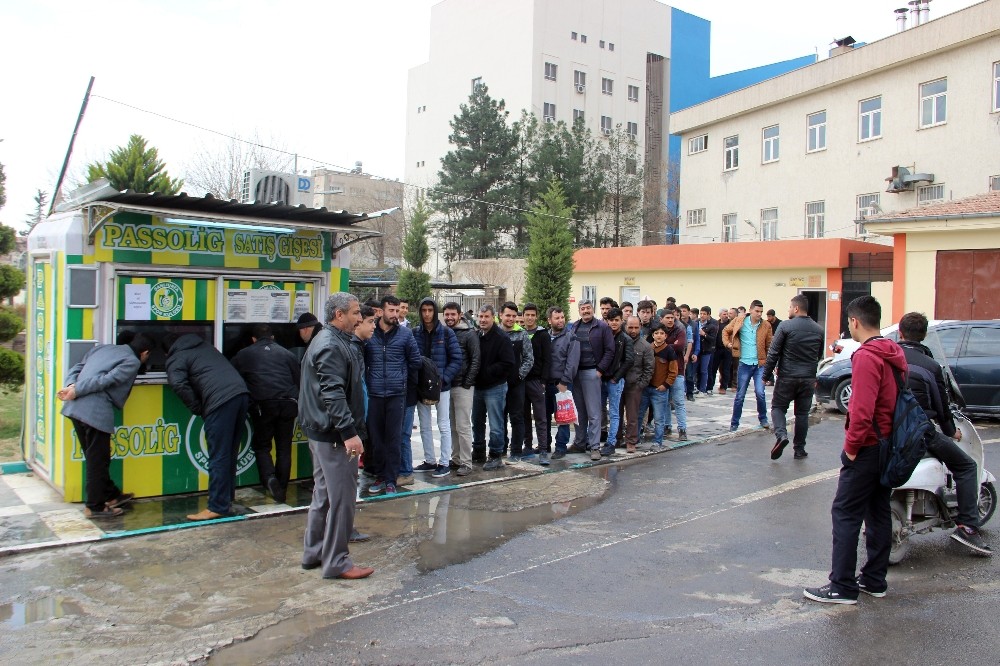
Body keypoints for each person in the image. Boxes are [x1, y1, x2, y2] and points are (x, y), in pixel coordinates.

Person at [804, 295, 905, 604]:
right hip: (889, 443)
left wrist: (850, 449)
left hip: (868, 446)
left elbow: (861, 411)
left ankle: (842, 585)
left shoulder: (866, 356)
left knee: (845, 513)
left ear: (855, 322)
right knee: (877, 512)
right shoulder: (893, 351)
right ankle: (875, 580)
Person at [897, 312, 992, 555]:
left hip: (885, 431)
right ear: (925, 335)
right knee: (967, 466)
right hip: (920, 431)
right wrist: (952, 431)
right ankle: (967, 527)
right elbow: (941, 407)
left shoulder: (887, 357)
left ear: (900, 332)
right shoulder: (930, 365)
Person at [299, 293, 374, 580]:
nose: (359, 318)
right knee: (342, 499)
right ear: (339, 315)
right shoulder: (331, 345)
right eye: (355, 313)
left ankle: (314, 552)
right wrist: (349, 433)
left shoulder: (330, 340)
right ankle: (337, 561)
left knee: (324, 496)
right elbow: (332, 393)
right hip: (333, 436)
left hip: (322, 433)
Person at [58, 333, 152, 519]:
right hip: (94, 411)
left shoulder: (102, 348)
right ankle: (95, 507)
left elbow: (77, 367)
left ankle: (111, 495)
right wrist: (75, 390)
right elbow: (107, 380)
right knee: (98, 461)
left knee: (95, 458)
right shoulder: (132, 361)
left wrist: (71, 385)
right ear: (145, 353)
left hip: (74, 409)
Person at [166, 333, 250, 521]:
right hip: (241, 394)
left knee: (219, 455)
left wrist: (197, 407)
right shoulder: (206, 348)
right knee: (229, 453)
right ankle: (226, 500)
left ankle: (217, 506)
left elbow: (178, 383)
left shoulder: (176, 357)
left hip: (220, 401)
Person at [231, 323, 301, 503]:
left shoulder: (244, 354)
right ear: (273, 338)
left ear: (253, 339)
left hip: (263, 405)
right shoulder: (287, 354)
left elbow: (232, 377)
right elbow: (298, 379)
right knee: (284, 447)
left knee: (262, 446)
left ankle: (269, 479)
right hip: (288, 404)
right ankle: (282, 487)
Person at [364, 295, 421, 495]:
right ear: (381, 311)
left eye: (398, 311)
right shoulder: (371, 333)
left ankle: (391, 479)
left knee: (394, 439)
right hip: (375, 394)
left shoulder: (405, 334)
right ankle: (380, 476)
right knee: (376, 440)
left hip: (397, 394)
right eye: (391, 310)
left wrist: (403, 379)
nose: (395, 314)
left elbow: (415, 361)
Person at [763, 295, 824, 461]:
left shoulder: (785, 326)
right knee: (802, 414)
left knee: (778, 407)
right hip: (807, 378)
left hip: (787, 376)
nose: (788, 310)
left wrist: (766, 375)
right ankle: (799, 450)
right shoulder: (818, 329)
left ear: (796, 308)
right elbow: (818, 355)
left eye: (790, 307)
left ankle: (781, 435)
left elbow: (773, 353)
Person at [412, 298, 463, 478]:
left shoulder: (447, 333)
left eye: (430, 310)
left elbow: (457, 359)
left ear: (435, 312)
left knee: (443, 424)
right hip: (421, 386)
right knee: (424, 425)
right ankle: (429, 461)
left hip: (441, 386)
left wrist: (444, 378)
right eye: (424, 310)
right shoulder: (415, 332)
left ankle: (444, 462)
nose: (427, 314)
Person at [560, 300, 615, 461]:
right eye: (582, 308)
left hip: (592, 373)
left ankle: (595, 446)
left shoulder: (602, 327)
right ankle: (580, 442)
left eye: (588, 308)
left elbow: (610, 350)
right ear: (579, 311)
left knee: (594, 412)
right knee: (579, 412)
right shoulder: (574, 327)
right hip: (576, 374)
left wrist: (600, 370)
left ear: (593, 309)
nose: (586, 311)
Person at [472, 304, 515, 470]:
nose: (482, 320)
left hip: (495, 387)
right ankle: (478, 452)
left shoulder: (501, 337)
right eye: (480, 317)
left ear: (493, 317)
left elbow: (508, 363)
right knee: (477, 422)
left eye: (486, 317)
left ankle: (496, 455)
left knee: (496, 424)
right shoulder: (476, 335)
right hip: (477, 387)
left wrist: (487, 372)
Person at [722, 299, 773, 432]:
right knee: (740, 395)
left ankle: (763, 419)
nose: (759, 314)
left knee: (760, 392)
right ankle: (734, 423)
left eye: (761, 312)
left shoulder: (766, 325)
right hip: (744, 363)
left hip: (760, 364)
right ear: (750, 310)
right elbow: (725, 331)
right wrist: (728, 344)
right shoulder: (740, 320)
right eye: (757, 311)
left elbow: (770, 345)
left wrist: (770, 363)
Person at [443, 301, 480, 476]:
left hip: (463, 386)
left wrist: (467, 382)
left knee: (463, 425)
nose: (449, 317)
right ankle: (456, 458)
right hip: (447, 386)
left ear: (459, 315)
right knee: (452, 425)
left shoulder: (469, 334)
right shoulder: (443, 332)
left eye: (453, 314)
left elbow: (475, 359)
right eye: (447, 314)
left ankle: (466, 462)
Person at [498, 302, 534, 461]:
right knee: (499, 418)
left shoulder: (522, 335)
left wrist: (519, 376)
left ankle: (516, 451)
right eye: (508, 315)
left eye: (514, 316)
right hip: (497, 384)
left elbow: (529, 359)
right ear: (501, 315)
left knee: (517, 417)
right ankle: (500, 449)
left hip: (516, 384)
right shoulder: (495, 334)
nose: (511, 319)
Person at [521, 303, 552, 465]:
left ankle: (543, 450)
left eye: (533, 315)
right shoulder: (520, 333)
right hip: (521, 382)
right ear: (523, 316)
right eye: (527, 315)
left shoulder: (543, 335)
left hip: (537, 382)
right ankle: (527, 446)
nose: (530, 318)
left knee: (540, 417)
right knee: (524, 416)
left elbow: (548, 360)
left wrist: (544, 382)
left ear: (536, 317)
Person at [641, 323, 679, 449]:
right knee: (639, 415)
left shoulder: (669, 350)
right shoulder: (648, 348)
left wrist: (665, 385)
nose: (659, 336)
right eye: (656, 333)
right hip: (646, 388)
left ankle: (658, 441)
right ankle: (634, 439)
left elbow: (673, 371)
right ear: (653, 335)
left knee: (659, 417)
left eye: (662, 333)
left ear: (665, 336)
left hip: (660, 389)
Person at [602, 307, 634, 456]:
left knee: (614, 412)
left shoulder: (626, 339)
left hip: (616, 380)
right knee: (599, 410)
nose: (614, 323)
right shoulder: (604, 335)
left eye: (617, 320)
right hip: (602, 378)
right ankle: (596, 440)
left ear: (622, 321)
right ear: (607, 321)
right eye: (611, 320)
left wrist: (617, 377)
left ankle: (611, 442)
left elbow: (629, 361)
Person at [623, 316, 654, 453]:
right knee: (616, 414)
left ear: (640, 327)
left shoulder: (645, 346)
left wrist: (641, 385)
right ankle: (618, 439)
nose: (633, 330)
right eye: (630, 327)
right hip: (618, 383)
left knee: (632, 416)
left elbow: (649, 369)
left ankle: (631, 441)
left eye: (636, 327)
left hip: (634, 385)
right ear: (626, 326)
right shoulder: (620, 341)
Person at [547, 306, 573, 459]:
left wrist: (564, 381)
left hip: (561, 384)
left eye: (562, 317)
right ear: (549, 320)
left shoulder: (571, 337)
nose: (560, 320)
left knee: (563, 418)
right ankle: (545, 445)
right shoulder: (545, 336)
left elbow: (572, 362)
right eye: (557, 318)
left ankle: (561, 447)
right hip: (546, 383)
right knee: (544, 416)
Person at [659, 309, 689, 441]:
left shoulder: (680, 331)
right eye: (667, 317)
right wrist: (671, 345)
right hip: (662, 372)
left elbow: (680, 346)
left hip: (678, 371)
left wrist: (663, 345)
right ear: (661, 319)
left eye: (672, 317)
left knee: (678, 401)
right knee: (665, 401)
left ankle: (682, 429)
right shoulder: (659, 330)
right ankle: (667, 426)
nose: (670, 320)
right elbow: (654, 346)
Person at [679, 304, 700, 401]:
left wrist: (695, 352)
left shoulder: (694, 324)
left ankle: (690, 393)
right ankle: (681, 393)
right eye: (681, 311)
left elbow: (696, 339)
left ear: (688, 312)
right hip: (679, 353)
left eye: (684, 311)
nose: (682, 313)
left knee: (690, 375)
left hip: (690, 353)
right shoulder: (677, 324)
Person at [696, 307, 718, 395]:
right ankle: (696, 387)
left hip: (706, 350)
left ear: (708, 315)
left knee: (704, 370)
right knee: (696, 370)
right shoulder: (696, 323)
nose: (702, 316)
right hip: (697, 350)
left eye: (704, 314)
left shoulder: (712, 325)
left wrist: (704, 334)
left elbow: (713, 339)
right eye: (701, 313)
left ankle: (703, 389)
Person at [713, 307, 732, 395]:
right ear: (720, 315)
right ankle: (710, 386)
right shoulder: (716, 324)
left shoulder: (730, 324)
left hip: (727, 349)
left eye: (727, 314)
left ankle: (723, 387)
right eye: (724, 314)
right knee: (713, 368)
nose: (726, 316)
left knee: (725, 369)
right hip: (717, 349)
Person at [764, 309, 783, 385]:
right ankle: (770, 380)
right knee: (768, 362)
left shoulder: (780, 323)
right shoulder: (766, 323)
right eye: (767, 316)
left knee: (778, 364)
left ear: (773, 316)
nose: (768, 318)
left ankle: (778, 379)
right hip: (769, 345)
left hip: (778, 346)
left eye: (769, 316)